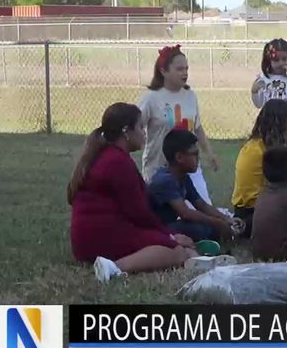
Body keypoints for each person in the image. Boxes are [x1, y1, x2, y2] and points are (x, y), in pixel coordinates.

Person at [68, 103, 199, 283]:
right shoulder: (117, 161)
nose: (144, 133)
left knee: (179, 248)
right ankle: (113, 268)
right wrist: (170, 237)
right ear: (126, 131)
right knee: (176, 253)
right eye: (140, 127)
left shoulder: (103, 155)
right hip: (101, 238)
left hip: (86, 240)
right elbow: (139, 213)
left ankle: (113, 264)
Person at [138, 44, 219, 204]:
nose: (185, 73)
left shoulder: (190, 96)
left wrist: (209, 154)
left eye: (186, 69)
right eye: (179, 69)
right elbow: (135, 127)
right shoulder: (151, 98)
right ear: (163, 71)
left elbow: (197, 127)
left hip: (188, 167)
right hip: (160, 169)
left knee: (204, 209)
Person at [232, 100, 287, 237]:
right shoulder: (254, 151)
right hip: (253, 212)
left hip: (273, 203)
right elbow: (249, 198)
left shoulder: (276, 147)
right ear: (280, 125)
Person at [147, 129, 241, 244]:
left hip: (169, 225)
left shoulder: (183, 176)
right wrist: (217, 223)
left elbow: (201, 205)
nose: (198, 158)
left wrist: (227, 219)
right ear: (179, 157)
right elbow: (185, 213)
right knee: (199, 229)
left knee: (204, 226)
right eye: (195, 154)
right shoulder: (165, 180)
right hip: (156, 229)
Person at [251, 38, 287, 117]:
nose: (280, 63)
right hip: (268, 121)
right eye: (276, 60)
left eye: (284, 59)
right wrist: (254, 92)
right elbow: (258, 104)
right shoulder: (264, 79)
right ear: (269, 60)